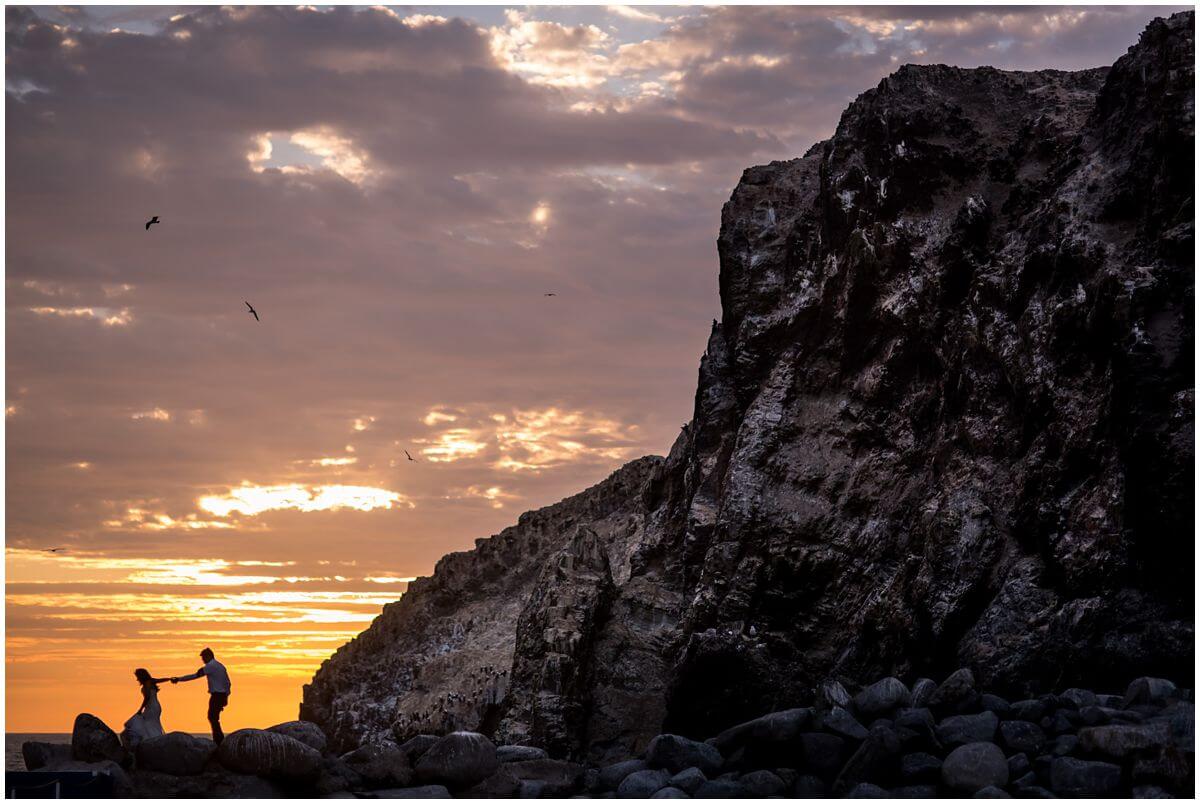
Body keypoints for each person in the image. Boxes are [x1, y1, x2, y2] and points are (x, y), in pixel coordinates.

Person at [171, 647, 231, 744]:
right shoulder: (221, 666)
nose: (203, 660)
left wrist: (179, 679)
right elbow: (228, 683)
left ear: (209, 656)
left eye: (203, 657)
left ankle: (219, 740)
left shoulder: (210, 666)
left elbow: (195, 675)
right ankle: (219, 739)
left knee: (212, 717)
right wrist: (226, 697)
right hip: (221, 695)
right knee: (213, 717)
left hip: (216, 695)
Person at [123, 668, 168, 748]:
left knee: (146, 722)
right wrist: (170, 678)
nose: (137, 679)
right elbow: (161, 680)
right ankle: (154, 739)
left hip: (151, 706)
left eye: (137, 676)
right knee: (152, 724)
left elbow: (147, 698)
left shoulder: (147, 683)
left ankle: (150, 740)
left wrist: (140, 710)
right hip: (156, 706)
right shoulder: (151, 681)